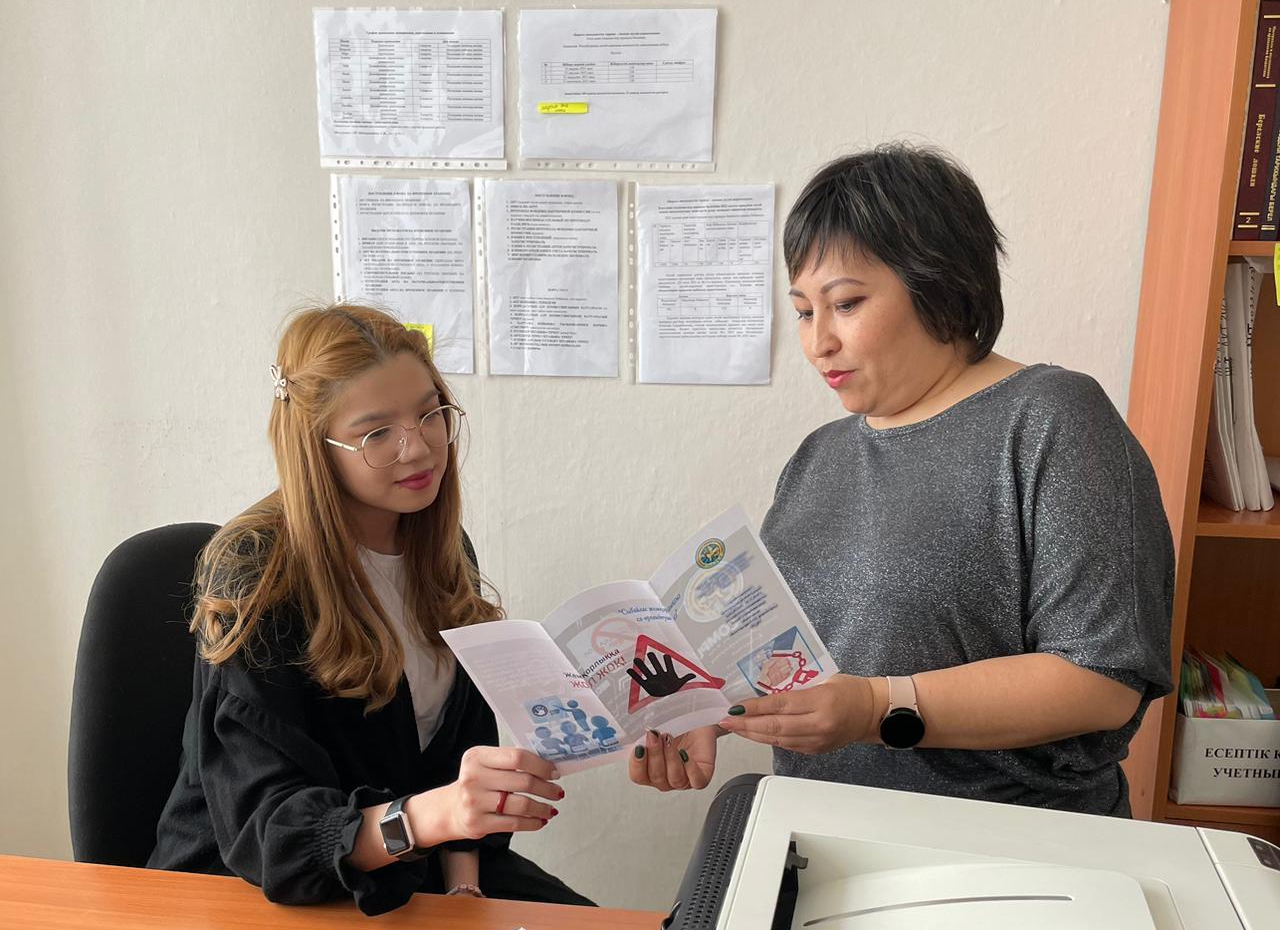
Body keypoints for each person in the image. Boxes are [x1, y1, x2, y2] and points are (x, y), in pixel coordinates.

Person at [631, 145, 1175, 818]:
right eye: (804, 312)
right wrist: (711, 710)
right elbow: (789, 656)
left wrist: (876, 708)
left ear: (939, 285)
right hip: (818, 830)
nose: (818, 343)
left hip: (1006, 841)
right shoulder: (819, 456)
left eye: (846, 303)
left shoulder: (1052, 419)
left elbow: (1102, 680)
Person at [149, 304, 591, 914]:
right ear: (317, 450)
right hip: (249, 890)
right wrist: (431, 816)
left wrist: (463, 888)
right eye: (377, 433)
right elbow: (269, 833)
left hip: (408, 871)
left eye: (430, 414)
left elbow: (455, 756)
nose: (419, 449)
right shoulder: (258, 574)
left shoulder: (441, 550)